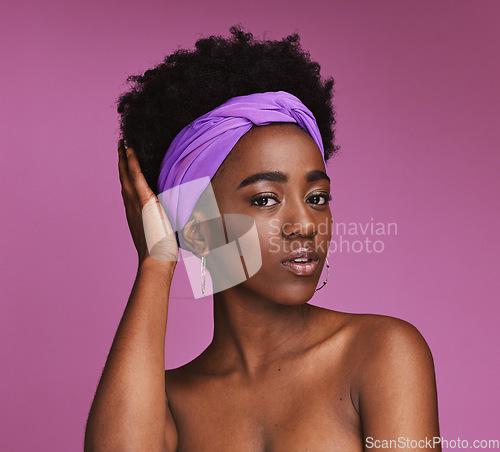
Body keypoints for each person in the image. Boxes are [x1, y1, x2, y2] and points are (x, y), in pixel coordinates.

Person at [84, 25, 440, 451]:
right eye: (267, 199)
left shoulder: (382, 353)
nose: (306, 224)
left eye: (317, 197)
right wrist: (157, 260)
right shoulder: (168, 403)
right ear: (199, 230)